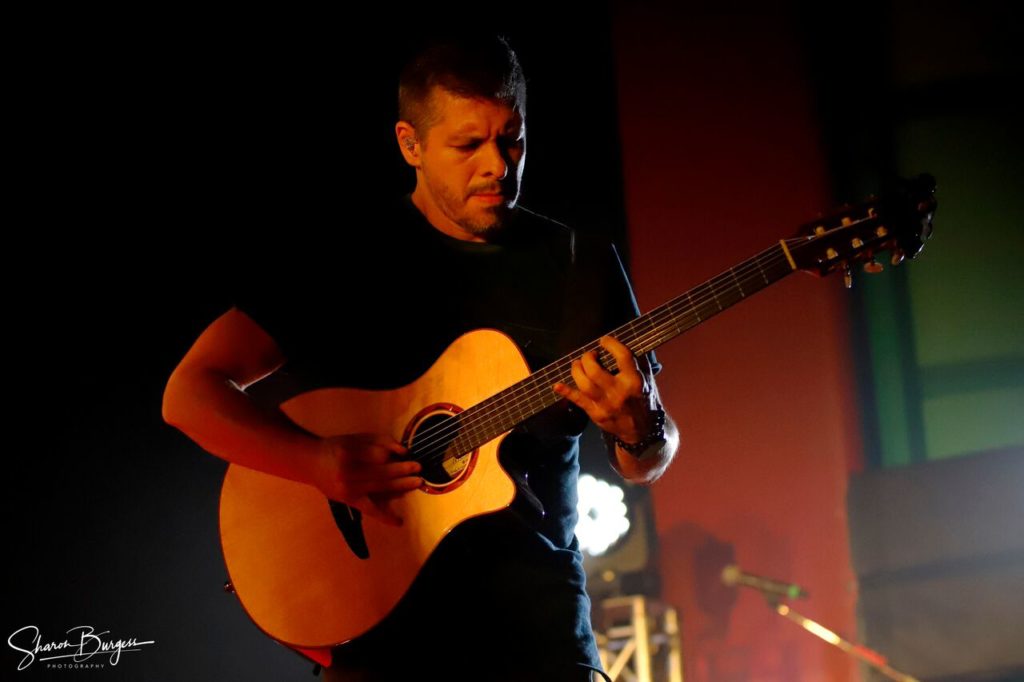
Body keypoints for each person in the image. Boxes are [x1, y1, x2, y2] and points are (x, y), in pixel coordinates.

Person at [162, 34, 678, 681]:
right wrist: (317, 462)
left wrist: (641, 426)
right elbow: (189, 394)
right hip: (379, 632)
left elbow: (649, 461)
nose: (498, 165)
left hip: (537, 635)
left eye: (512, 138)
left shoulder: (581, 266)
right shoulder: (345, 261)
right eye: (468, 145)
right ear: (410, 144)